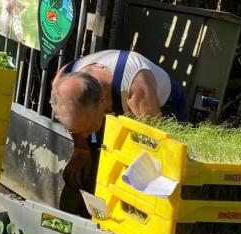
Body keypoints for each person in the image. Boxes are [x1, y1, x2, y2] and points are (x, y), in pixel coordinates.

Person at [49, 49, 186, 215]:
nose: (84, 135)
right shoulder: (62, 84)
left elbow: (157, 151)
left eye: (87, 129)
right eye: (76, 129)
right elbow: (79, 124)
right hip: (110, 103)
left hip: (165, 108)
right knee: (82, 170)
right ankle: (77, 217)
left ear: (102, 102)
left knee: (144, 175)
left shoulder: (137, 91)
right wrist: (81, 150)